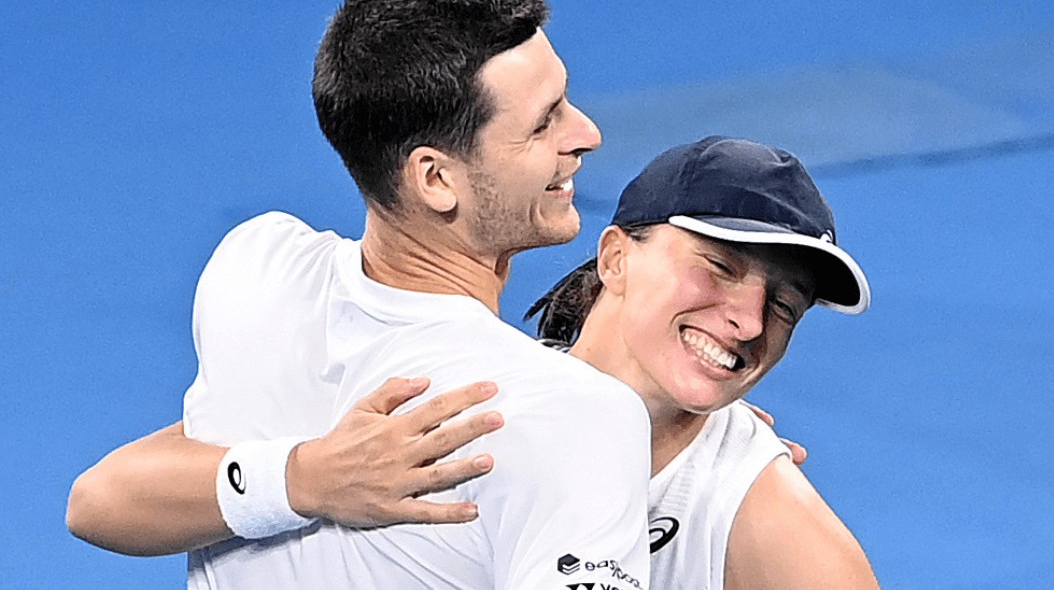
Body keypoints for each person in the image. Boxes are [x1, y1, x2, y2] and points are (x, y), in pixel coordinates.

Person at [70, 136, 881, 588]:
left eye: (784, 305)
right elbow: (102, 499)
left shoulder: (761, 515)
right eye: (719, 267)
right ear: (614, 257)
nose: (746, 320)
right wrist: (307, 476)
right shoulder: (472, 389)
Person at [70, 0, 654, 590]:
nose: (586, 134)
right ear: (434, 179)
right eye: (545, 123)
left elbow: (100, 502)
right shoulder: (577, 415)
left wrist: (298, 479)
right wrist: (309, 477)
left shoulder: (257, 271)